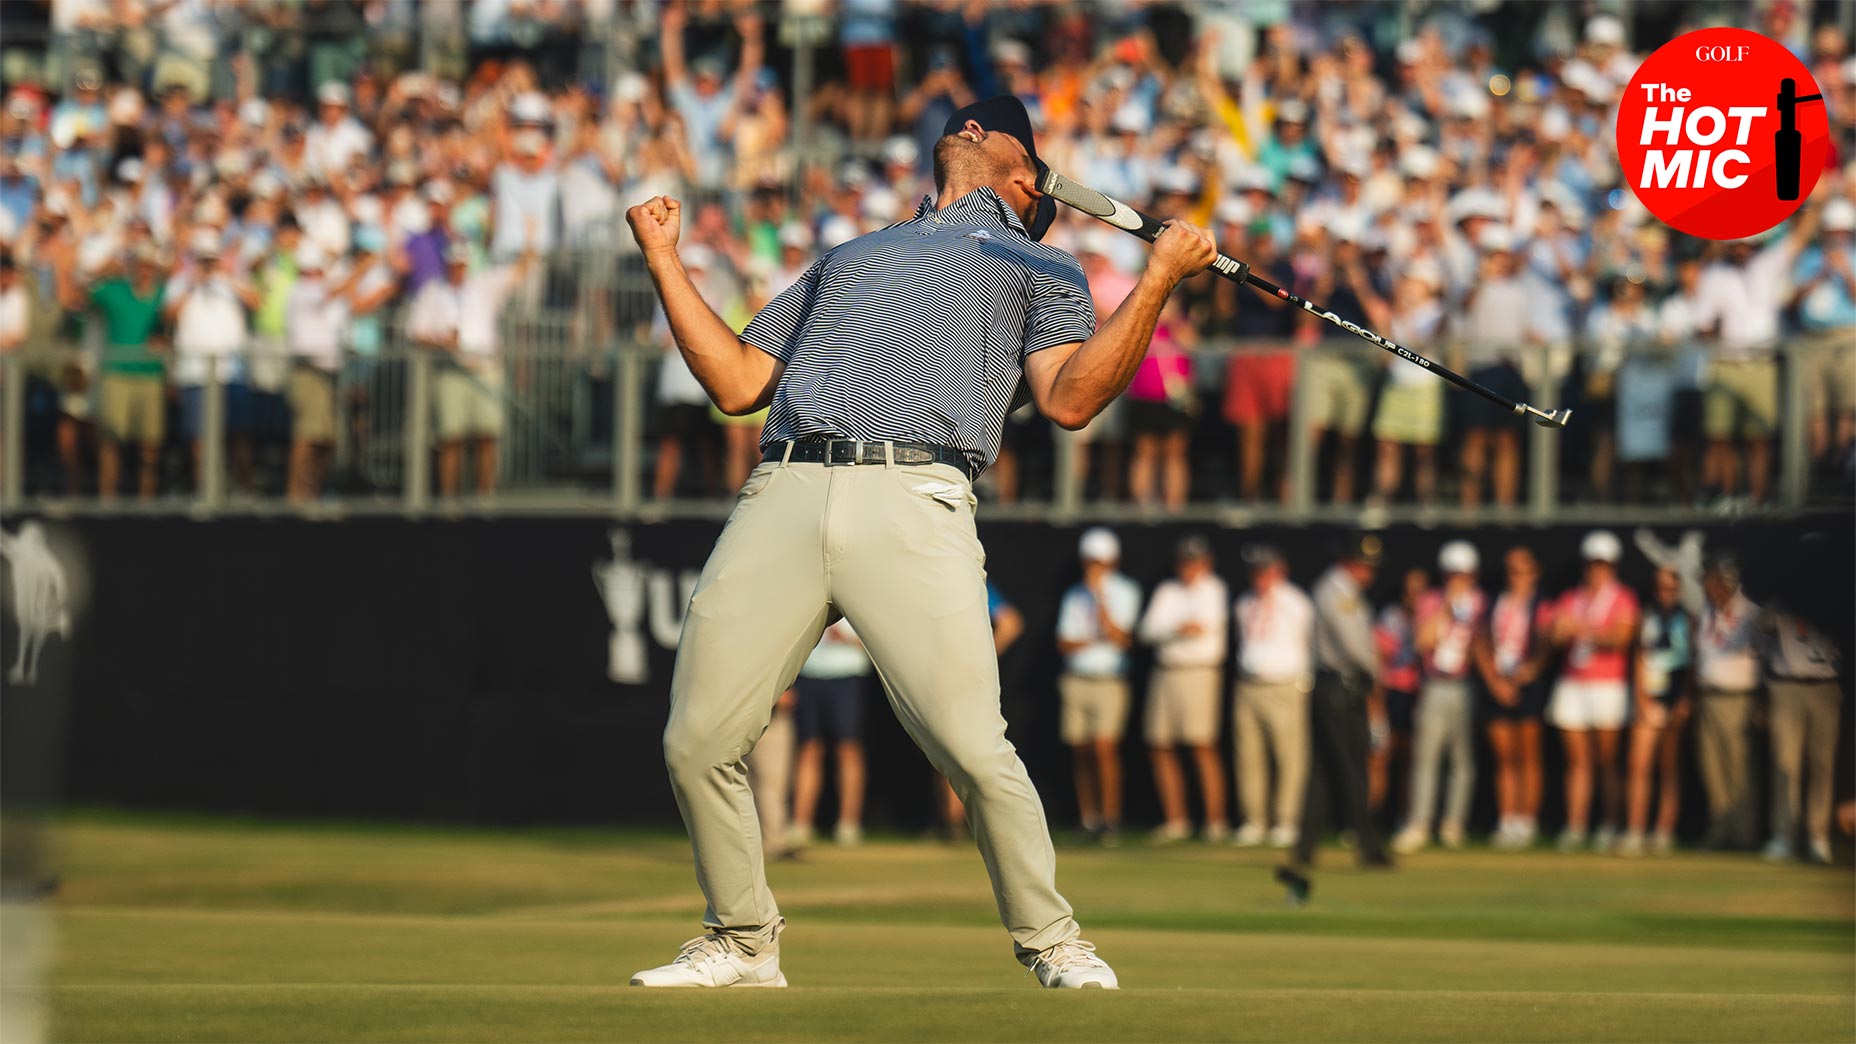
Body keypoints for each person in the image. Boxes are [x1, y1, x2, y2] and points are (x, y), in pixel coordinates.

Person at [625, 95, 1218, 990]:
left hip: (917, 492)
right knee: (696, 740)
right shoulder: (850, 254)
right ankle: (742, 940)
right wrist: (664, 260)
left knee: (973, 747)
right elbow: (739, 381)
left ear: (1025, 176)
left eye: (988, 122)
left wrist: (1161, 277)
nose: (965, 123)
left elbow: (1069, 399)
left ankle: (1053, 940)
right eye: (966, 119)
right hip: (783, 486)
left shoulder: (1039, 261)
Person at [1290, 534, 1389, 873]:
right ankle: (1368, 844)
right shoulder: (1336, 593)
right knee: (1350, 768)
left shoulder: (1345, 592)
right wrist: (1378, 667)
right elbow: (1355, 647)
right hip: (1338, 687)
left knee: (1323, 770)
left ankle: (1305, 847)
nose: (1369, 573)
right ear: (1347, 563)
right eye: (1363, 565)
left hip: (1340, 687)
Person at [406, 240, 535, 497]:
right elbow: (415, 333)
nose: (457, 267)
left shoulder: (483, 285)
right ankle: (449, 504)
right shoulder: (432, 292)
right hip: (450, 370)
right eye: (454, 262)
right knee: (450, 438)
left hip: (484, 368)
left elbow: (521, 270)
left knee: (487, 436)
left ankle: (484, 501)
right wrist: (443, 342)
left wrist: (530, 237)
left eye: (461, 262)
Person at [1546, 530, 1640, 852]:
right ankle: (1576, 826)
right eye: (1592, 564)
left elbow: (1621, 638)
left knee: (1607, 762)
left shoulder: (1623, 598)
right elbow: (1555, 635)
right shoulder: (1571, 597)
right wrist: (1562, 630)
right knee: (1577, 762)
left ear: (1613, 566)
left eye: (1603, 565)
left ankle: (1610, 824)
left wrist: (1581, 628)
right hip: (1572, 683)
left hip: (1608, 686)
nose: (1597, 571)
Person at [1136, 535, 1229, 843]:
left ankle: (1215, 822)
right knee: (1160, 744)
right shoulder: (1167, 590)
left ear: (1207, 563)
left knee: (1202, 744)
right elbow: (1147, 631)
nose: (1190, 569)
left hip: (1198, 672)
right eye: (1185, 562)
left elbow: (1201, 628)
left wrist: (1170, 631)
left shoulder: (1214, 589)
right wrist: (1177, 629)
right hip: (1166, 672)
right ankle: (1176, 821)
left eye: (1196, 562)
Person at [1393, 541, 1484, 854]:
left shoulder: (1481, 603)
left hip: (1465, 685)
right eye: (1452, 574)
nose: (1458, 580)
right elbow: (1422, 641)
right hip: (1434, 684)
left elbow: (1482, 647)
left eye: (1463, 574)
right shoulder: (1431, 601)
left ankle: (1453, 824)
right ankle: (1419, 823)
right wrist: (1446, 609)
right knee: (1426, 756)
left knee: (1462, 759)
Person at [1056, 527, 1142, 847]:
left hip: (1109, 679)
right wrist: (1092, 639)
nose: (1093, 568)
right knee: (1080, 749)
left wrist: (1099, 599)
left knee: (1104, 748)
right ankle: (1089, 819)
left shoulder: (1126, 591)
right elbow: (1064, 643)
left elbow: (1119, 637)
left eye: (1098, 562)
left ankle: (1111, 819)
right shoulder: (1073, 594)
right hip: (1076, 678)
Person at [1231, 544, 1315, 848]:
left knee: (1288, 755)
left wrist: (1302, 682)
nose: (1260, 578)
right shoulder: (1244, 602)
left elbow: (1309, 642)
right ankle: (1254, 820)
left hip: (1284, 685)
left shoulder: (1296, 603)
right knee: (1248, 755)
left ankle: (1286, 820)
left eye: (1265, 571)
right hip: (1249, 685)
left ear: (1280, 570)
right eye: (1255, 571)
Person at [69, 245, 166, 501]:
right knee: (110, 440)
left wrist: (166, 340)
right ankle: (108, 499)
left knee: (150, 444)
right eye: (140, 265)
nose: (144, 270)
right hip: (116, 374)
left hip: (151, 375)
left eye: (149, 265)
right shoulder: (115, 290)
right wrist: (102, 270)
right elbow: (77, 295)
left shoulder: (163, 294)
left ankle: (147, 501)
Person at [1476, 546, 1553, 850]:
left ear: (1534, 572)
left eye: (1522, 570)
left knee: (1528, 755)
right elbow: (1480, 641)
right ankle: (1507, 820)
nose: (1516, 577)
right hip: (1498, 684)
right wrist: (1495, 682)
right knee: (1504, 757)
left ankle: (1526, 820)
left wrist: (1529, 671)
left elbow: (1546, 643)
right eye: (1511, 570)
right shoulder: (1494, 602)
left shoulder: (1542, 604)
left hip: (1528, 684)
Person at [937, 580, 1025, 841]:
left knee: (970, 749)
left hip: (967, 678)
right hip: (942, 676)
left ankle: (976, 822)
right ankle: (953, 821)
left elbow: (1010, 623)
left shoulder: (970, 583)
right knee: (943, 748)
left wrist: (982, 657)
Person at [1620, 566, 1693, 857]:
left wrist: (1685, 699)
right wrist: (1641, 699)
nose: (1666, 594)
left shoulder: (1688, 619)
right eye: (1661, 588)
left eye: (1671, 588)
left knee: (1669, 767)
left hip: (1675, 698)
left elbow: (1693, 662)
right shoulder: (1646, 616)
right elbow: (1639, 657)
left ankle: (1664, 831)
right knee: (1639, 765)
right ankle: (1635, 830)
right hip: (1650, 697)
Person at [1760, 605, 1841, 864]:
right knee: (1785, 762)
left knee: (1822, 764)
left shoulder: (1835, 596)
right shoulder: (1783, 596)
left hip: (1826, 684)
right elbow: (1762, 625)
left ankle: (1818, 836)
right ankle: (1784, 835)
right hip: (1787, 684)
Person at [1694, 553, 1762, 850]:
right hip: (1708, 696)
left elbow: (1765, 656)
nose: (1710, 587)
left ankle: (1745, 832)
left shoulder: (1751, 613)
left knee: (1740, 768)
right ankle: (1720, 829)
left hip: (1739, 697)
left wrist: (1762, 700)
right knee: (1711, 767)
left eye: (1715, 581)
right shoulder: (1706, 611)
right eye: (1708, 581)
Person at [788, 620, 871, 848]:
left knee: (848, 748)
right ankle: (801, 824)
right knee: (809, 748)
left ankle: (848, 825)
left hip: (848, 675)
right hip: (808, 673)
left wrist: (847, 640)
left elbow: (878, 643)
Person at [1370, 567, 1425, 827]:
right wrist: (1376, 704)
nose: (1414, 596)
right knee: (1379, 759)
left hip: (1421, 695)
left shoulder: (1434, 616)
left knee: (1411, 761)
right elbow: (1378, 663)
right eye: (1409, 591)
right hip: (1392, 693)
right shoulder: (1391, 618)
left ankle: (1406, 820)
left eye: (1420, 591)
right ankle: (1369, 820)